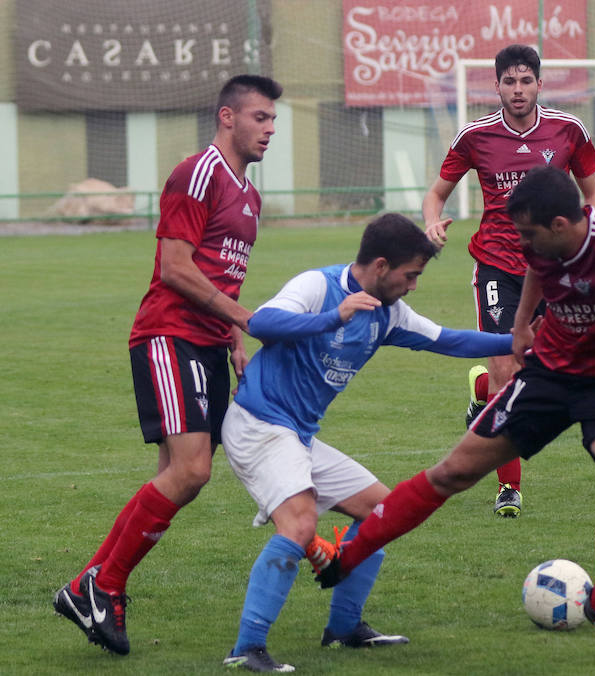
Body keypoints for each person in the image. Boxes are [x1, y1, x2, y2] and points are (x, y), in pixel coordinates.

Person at [312, 167, 595, 662]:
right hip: (550, 374)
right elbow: (536, 269)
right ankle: (345, 556)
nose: (521, 242)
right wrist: (521, 326)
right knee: (453, 470)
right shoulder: (543, 245)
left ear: (562, 224)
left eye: (528, 233)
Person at [221, 213, 523, 672]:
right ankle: (247, 648)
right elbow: (261, 323)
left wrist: (519, 342)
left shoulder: (389, 313)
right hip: (258, 423)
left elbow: (449, 339)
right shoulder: (318, 287)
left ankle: (343, 629)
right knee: (300, 525)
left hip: (298, 434)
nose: (414, 286)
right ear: (380, 266)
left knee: (383, 512)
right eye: (411, 275)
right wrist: (332, 318)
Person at [52, 74, 283, 656]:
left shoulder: (250, 196)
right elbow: (176, 267)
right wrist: (246, 316)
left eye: (274, 120)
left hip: (206, 342)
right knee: (191, 471)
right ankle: (102, 584)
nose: (270, 129)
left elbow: (223, 270)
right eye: (260, 118)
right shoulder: (197, 172)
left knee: (177, 478)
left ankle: (93, 586)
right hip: (168, 335)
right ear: (227, 117)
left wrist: (233, 337)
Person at [423, 43, 595, 517]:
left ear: (540, 84)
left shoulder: (569, 130)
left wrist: (594, 242)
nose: (518, 90)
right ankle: (509, 488)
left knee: (545, 371)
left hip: (552, 269)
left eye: (527, 81)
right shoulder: (475, 136)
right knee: (509, 369)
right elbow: (436, 194)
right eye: (510, 81)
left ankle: (479, 389)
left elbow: (594, 194)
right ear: (497, 85)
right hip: (497, 266)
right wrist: (431, 222)